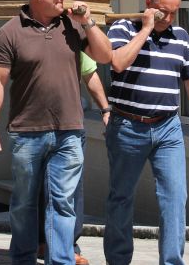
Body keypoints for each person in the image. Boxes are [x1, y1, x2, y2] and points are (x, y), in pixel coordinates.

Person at [0, 0, 112, 265]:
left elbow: (105, 57)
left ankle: (61, 260)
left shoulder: (72, 25)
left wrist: (89, 21)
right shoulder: (10, 33)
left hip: (69, 131)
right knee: (25, 203)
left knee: (62, 202)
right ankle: (24, 258)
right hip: (28, 132)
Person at [103, 0, 189, 265]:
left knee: (175, 197)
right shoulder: (123, 28)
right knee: (122, 197)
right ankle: (118, 260)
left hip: (168, 127)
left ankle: (172, 261)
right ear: (148, 3)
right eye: (164, 11)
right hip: (127, 126)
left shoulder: (182, 37)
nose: (169, 18)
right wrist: (146, 30)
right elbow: (117, 62)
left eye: (175, 13)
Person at [37, 52, 111, 265]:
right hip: (33, 125)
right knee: (35, 187)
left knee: (72, 187)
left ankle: (69, 245)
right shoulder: (27, 32)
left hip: (70, 125)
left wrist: (105, 109)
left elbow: (90, 74)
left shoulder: (73, 38)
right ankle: (40, 241)